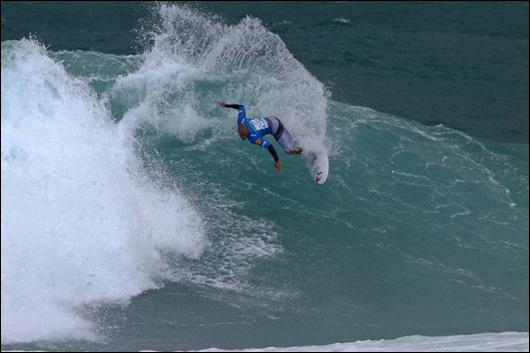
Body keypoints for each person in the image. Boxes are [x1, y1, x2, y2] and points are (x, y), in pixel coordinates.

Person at [218, 101, 303, 172]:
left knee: (288, 151)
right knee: (290, 137)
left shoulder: (253, 138)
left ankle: (306, 150)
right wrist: (226, 105)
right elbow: (240, 107)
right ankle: (296, 136)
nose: (242, 138)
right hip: (272, 118)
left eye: (243, 137)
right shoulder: (241, 120)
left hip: (276, 127)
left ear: (247, 134)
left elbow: (269, 146)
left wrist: (277, 161)